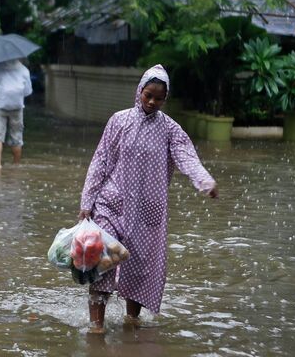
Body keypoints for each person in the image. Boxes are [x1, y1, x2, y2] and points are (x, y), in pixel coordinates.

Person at [78, 64, 219, 334]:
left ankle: (131, 321)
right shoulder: (118, 121)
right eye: (148, 95)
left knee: (140, 266)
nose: (152, 102)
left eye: (159, 98)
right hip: (111, 204)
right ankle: (96, 327)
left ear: (166, 99)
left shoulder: (170, 130)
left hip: (147, 210)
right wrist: (87, 202)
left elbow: (187, 158)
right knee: (103, 262)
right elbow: (100, 161)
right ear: (139, 91)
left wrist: (204, 182)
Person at [0, 59, 32, 169]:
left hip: (0, 106)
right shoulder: (24, 70)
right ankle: (16, 165)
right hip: (17, 107)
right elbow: (28, 91)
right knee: (17, 137)